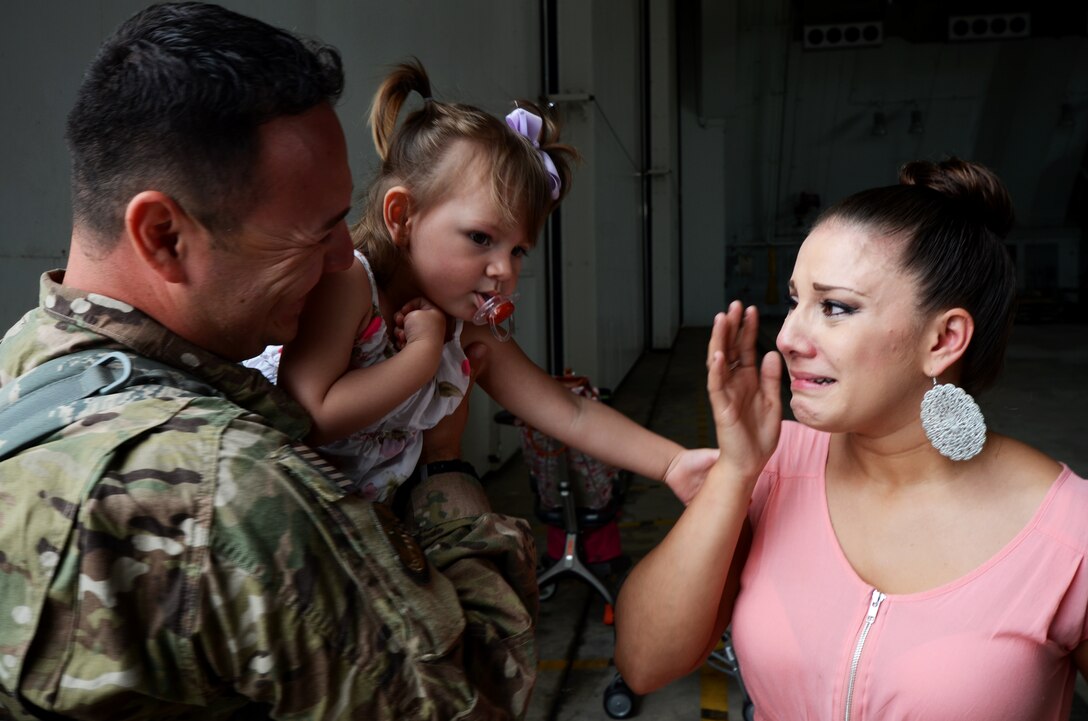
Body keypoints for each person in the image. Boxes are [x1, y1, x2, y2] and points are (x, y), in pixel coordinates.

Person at [0, 4, 540, 719]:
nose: (344, 257)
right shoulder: (235, 494)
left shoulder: (26, 365)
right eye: (313, 234)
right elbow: (479, 695)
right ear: (163, 234)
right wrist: (447, 470)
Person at [613, 158, 1088, 719]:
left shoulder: (1068, 535)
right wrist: (736, 473)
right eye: (794, 301)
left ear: (943, 339)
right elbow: (645, 662)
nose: (787, 336)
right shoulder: (773, 465)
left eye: (835, 307)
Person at [246, 59, 717, 506]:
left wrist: (673, 462)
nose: (504, 271)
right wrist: (422, 357)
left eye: (517, 250)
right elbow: (312, 416)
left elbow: (568, 412)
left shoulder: (459, 323)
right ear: (402, 216)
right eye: (480, 238)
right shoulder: (349, 282)